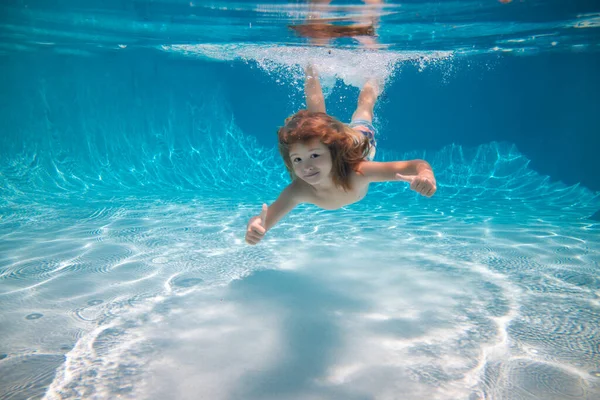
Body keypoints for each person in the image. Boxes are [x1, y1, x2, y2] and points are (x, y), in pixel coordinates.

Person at [245, 64, 437, 245]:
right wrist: (255, 226)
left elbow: (417, 164)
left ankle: (372, 73)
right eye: (297, 159)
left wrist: (425, 175)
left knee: (363, 110)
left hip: (359, 141)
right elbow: (265, 219)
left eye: (314, 156)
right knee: (317, 124)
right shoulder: (299, 190)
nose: (306, 167)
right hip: (331, 144)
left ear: (333, 150)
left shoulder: (359, 172)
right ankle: (311, 63)